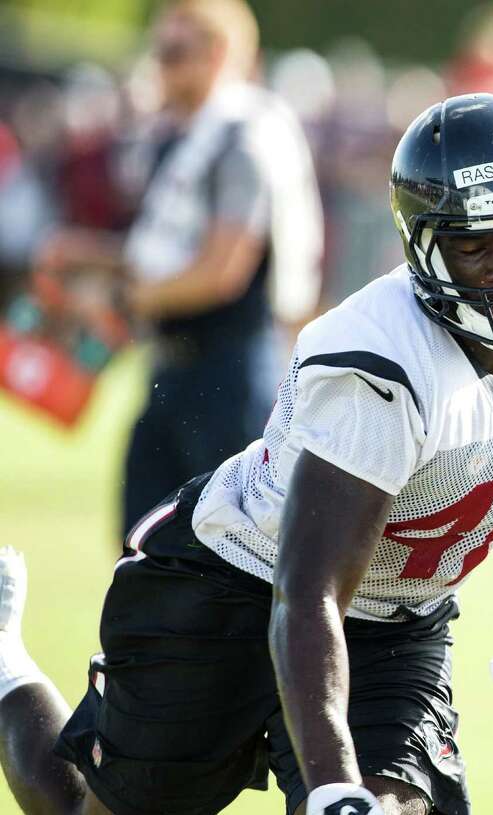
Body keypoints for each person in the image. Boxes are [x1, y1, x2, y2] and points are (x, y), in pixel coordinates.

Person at [0, 92, 493, 815]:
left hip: (396, 619)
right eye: (476, 246)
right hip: (235, 587)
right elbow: (308, 594)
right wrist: (330, 785)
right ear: (425, 248)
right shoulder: (379, 364)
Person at [37, 0, 323, 539]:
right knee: (141, 552)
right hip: (173, 370)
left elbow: (221, 271)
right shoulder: (181, 136)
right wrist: (88, 253)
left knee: (227, 566)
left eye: (173, 51)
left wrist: (117, 301)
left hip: (229, 375)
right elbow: (164, 253)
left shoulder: (244, 137)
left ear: (216, 54)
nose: (159, 64)